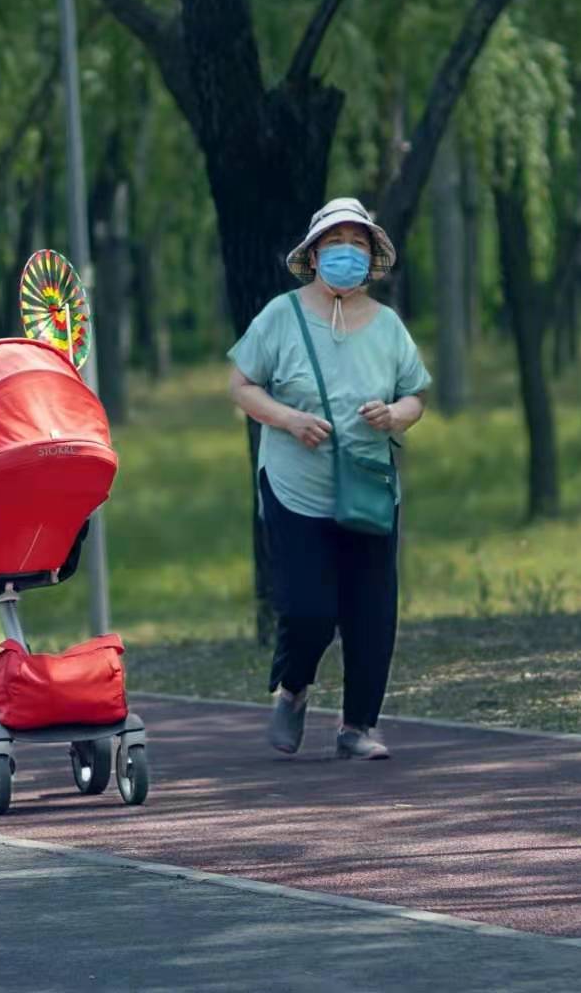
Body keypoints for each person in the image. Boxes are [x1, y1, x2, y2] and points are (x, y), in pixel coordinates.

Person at [227, 198, 431, 761]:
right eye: (335, 242)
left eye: (358, 243)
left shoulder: (388, 326)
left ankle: (358, 726)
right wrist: (289, 420)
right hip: (296, 487)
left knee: (372, 608)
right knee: (308, 608)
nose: (347, 252)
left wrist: (395, 416)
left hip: (368, 484)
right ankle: (293, 690)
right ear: (314, 255)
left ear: (372, 258)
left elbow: (416, 394)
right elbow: (242, 384)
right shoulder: (280, 316)